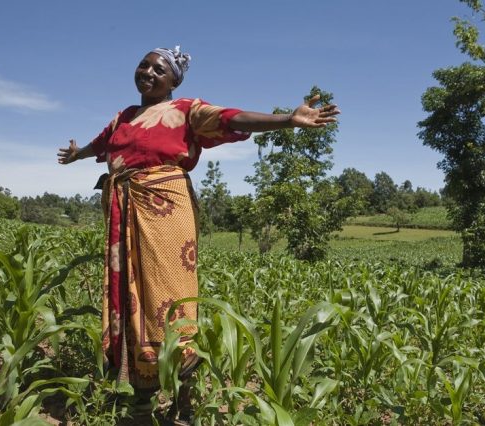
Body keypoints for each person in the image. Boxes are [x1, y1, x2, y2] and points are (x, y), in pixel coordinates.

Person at [57, 45, 340, 422]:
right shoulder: (123, 117)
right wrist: (78, 154)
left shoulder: (185, 110)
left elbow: (232, 118)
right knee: (131, 297)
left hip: (165, 210)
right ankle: (142, 399)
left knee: (169, 302)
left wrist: (287, 119)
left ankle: (184, 398)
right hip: (124, 211)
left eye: (159, 69)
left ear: (174, 80)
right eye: (144, 65)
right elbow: (102, 144)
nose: (149, 72)